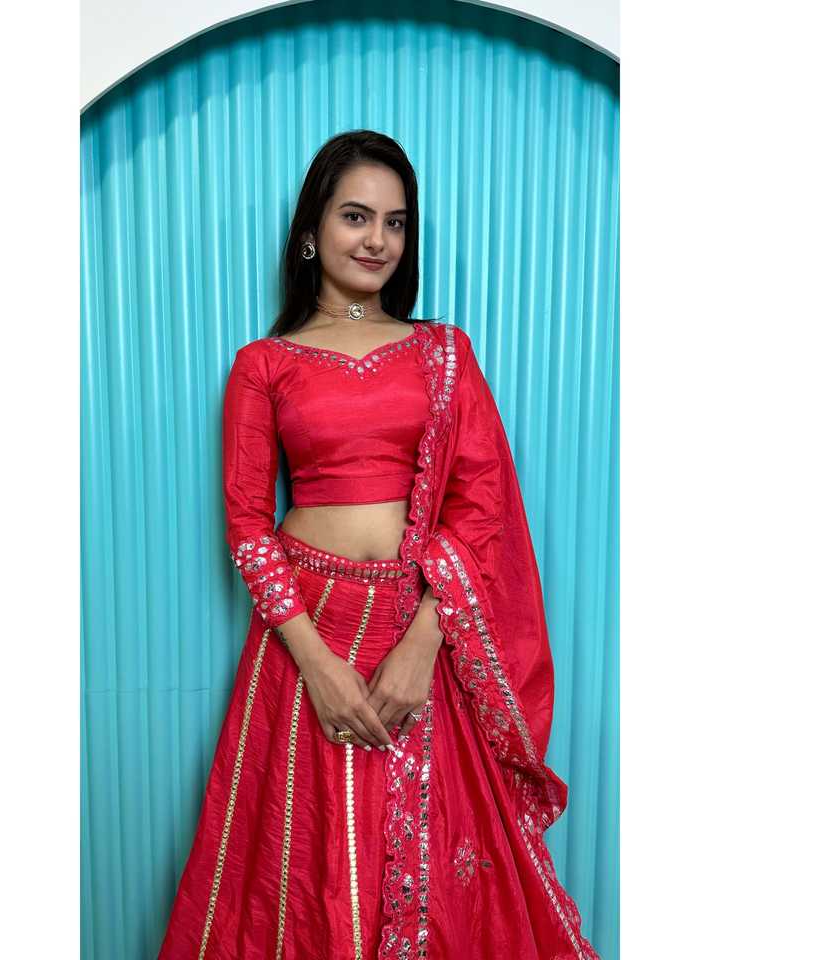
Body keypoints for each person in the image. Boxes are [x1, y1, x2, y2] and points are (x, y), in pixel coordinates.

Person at [158, 130, 600, 960]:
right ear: (310, 232)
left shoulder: (442, 352)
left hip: (418, 627)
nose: (377, 241)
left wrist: (424, 642)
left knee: (441, 871)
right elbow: (247, 524)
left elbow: (480, 505)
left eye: (395, 223)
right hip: (302, 636)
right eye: (356, 217)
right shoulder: (264, 364)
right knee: (303, 867)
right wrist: (316, 662)